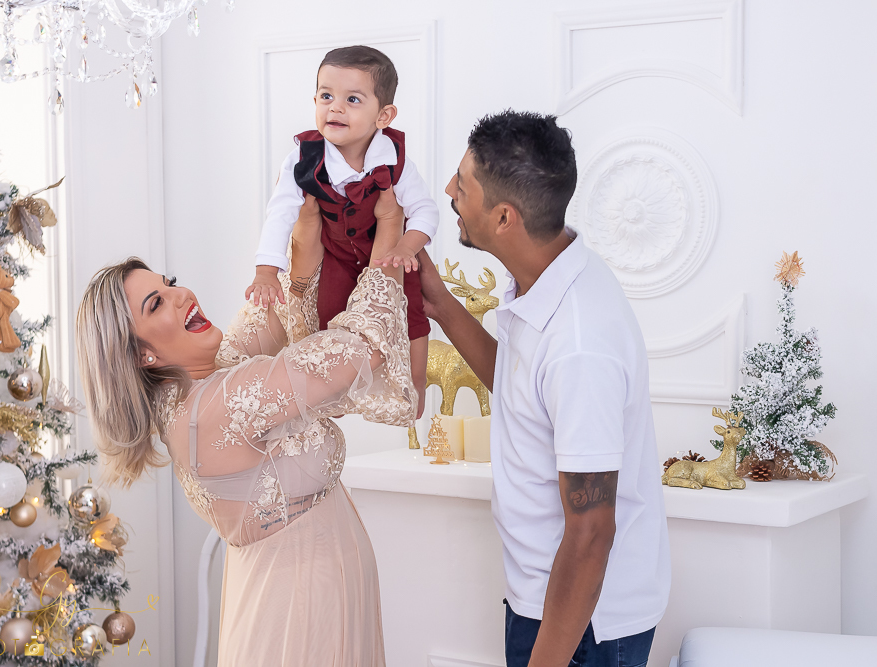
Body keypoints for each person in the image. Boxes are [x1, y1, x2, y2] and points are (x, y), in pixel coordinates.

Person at [76, 190, 415, 666]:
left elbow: (273, 312)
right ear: (140, 354)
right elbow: (358, 348)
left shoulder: (191, 389)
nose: (182, 295)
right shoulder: (218, 405)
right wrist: (389, 236)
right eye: (157, 303)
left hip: (310, 595)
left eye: (170, 283)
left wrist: (303, 221)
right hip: (298, 613)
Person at [414, 111, 670, 667]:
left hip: (583, 626)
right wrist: (439, 303)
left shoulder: (580, 342)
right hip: (546, 602)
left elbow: (591, 532)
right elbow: (522, 388)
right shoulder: (546, 277)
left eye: (463, 183)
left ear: (503, 216)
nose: (450, 192)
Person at [247, 44, 437, 418]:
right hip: (334, 258)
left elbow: (425, 211)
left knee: (410, 317)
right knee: (330, 323)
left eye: (352, 99)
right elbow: (280, 213)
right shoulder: (303, 158)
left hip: (385, 257)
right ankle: (335, 398)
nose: (334, 107)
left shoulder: (394, 159)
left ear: (383, 115)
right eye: (326, 96)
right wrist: (266, 270)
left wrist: (406, 246)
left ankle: (413, 391)